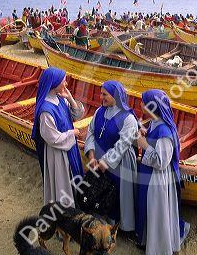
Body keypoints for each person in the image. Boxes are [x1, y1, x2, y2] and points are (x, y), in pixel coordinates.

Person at [136, 89, 190, 255]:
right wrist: (145, 132)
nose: (141, 105)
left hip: (157, 179)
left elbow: (161, 162)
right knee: (148, 208)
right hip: (150, 174)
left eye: (143, 103)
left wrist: (142, 143)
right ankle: (146, 239)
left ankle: (157, 245)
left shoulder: (164, 132)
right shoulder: (155, 123)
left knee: (155, 211)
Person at [84, 81, 138, 232]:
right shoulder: (99, 112)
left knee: (115, 193)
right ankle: (101, 220)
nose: (101, 97)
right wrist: (92, 155)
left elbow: (123, 144)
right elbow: (91, 133)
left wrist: (105, 161)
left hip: (118, 164)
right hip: (98, 160)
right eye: (100, 94)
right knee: (99, 189)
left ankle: (115, 225)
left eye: (104, 94)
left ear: (115, 96)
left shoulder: (128, 119)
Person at [31, 67, 85, 207]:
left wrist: (70, 98)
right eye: (63, 81)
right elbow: (52, 138)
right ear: (54, 83)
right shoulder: (45, 111)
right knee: (62, 184)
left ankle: (74, 207)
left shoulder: (60, 99)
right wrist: (72, 133)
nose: (66, 84)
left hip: (69, 147)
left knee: (72, 178)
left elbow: (77, 115)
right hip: (57, 153)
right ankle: (63, 213)